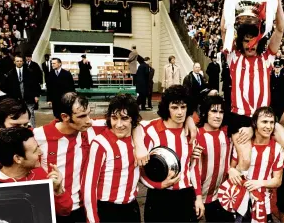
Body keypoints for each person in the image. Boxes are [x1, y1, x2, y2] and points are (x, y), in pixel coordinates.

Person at [221, 0, 284, 173]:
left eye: (253, 41)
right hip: (240, 118)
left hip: (264, 116)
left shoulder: (266, 58)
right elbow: (225, 29)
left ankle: (273, 179)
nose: (249, 45)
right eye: (246, 41)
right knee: (245, 161)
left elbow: (280, 29)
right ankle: (237, 199)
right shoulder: (234, 58)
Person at [33, 93, 106, 223]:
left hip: (79, 208)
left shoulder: (91, 129)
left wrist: (139, 144)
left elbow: (134, 123)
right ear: (65, 117)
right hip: (49, 208)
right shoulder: (38, 136)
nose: (89, 120)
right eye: (82, 116)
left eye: (89, 114)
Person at [140, 85, 204, 222]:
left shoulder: (192, 132)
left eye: (183, 107)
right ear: (166, 108)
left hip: (186, 195)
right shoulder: (151, 131)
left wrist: (198, 197)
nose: (180, 112)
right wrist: (158, 185)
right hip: (159, 197)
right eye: (174, 107)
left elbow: (194, 167)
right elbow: (139, 168)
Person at [81, 94, 142, 223]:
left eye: (124, 118)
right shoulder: (100, 144)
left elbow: (163, 121)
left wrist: (189, 120)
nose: (119, 125)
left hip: (132, 207)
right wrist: (92, 220)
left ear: (133, 119)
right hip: (107, 209)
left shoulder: (138, 137)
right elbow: (88, 186)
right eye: (114, 118)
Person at [0, 127, 72, 216]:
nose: (41, 152)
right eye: (35, 150)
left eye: (38, 147)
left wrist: (58, 191)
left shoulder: (39, 172)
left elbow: (65, 211)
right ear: (18, 158)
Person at [226, 107, 284, 222]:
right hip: (241, 203)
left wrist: (259, 183)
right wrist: (231, 170)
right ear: (254, 123)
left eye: (271, 122)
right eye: (264, 122)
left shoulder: (277, 148)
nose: (268, 126)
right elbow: (232, 169)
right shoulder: (244, 143)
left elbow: (277, 180)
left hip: (264, 204)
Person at [195, 95, 236, 222]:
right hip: (197, 195)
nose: (218, 116)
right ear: (204, 113)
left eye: (221, 112)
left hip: (220, 196)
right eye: (213, 111)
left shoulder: (228, 133)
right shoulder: (195, 134)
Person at [4, 56, 40, 128]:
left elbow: (35, 84)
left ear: (23, 62)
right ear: (14, 62)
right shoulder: (10, 74)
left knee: (31, 114)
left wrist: (36, 95)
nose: (19, 62)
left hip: (29, 96)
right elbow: (8, 87)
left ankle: (32, 129)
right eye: (17, 61)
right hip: (16, 98)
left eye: (20, 61)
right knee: (17, 115)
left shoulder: (30, 72)